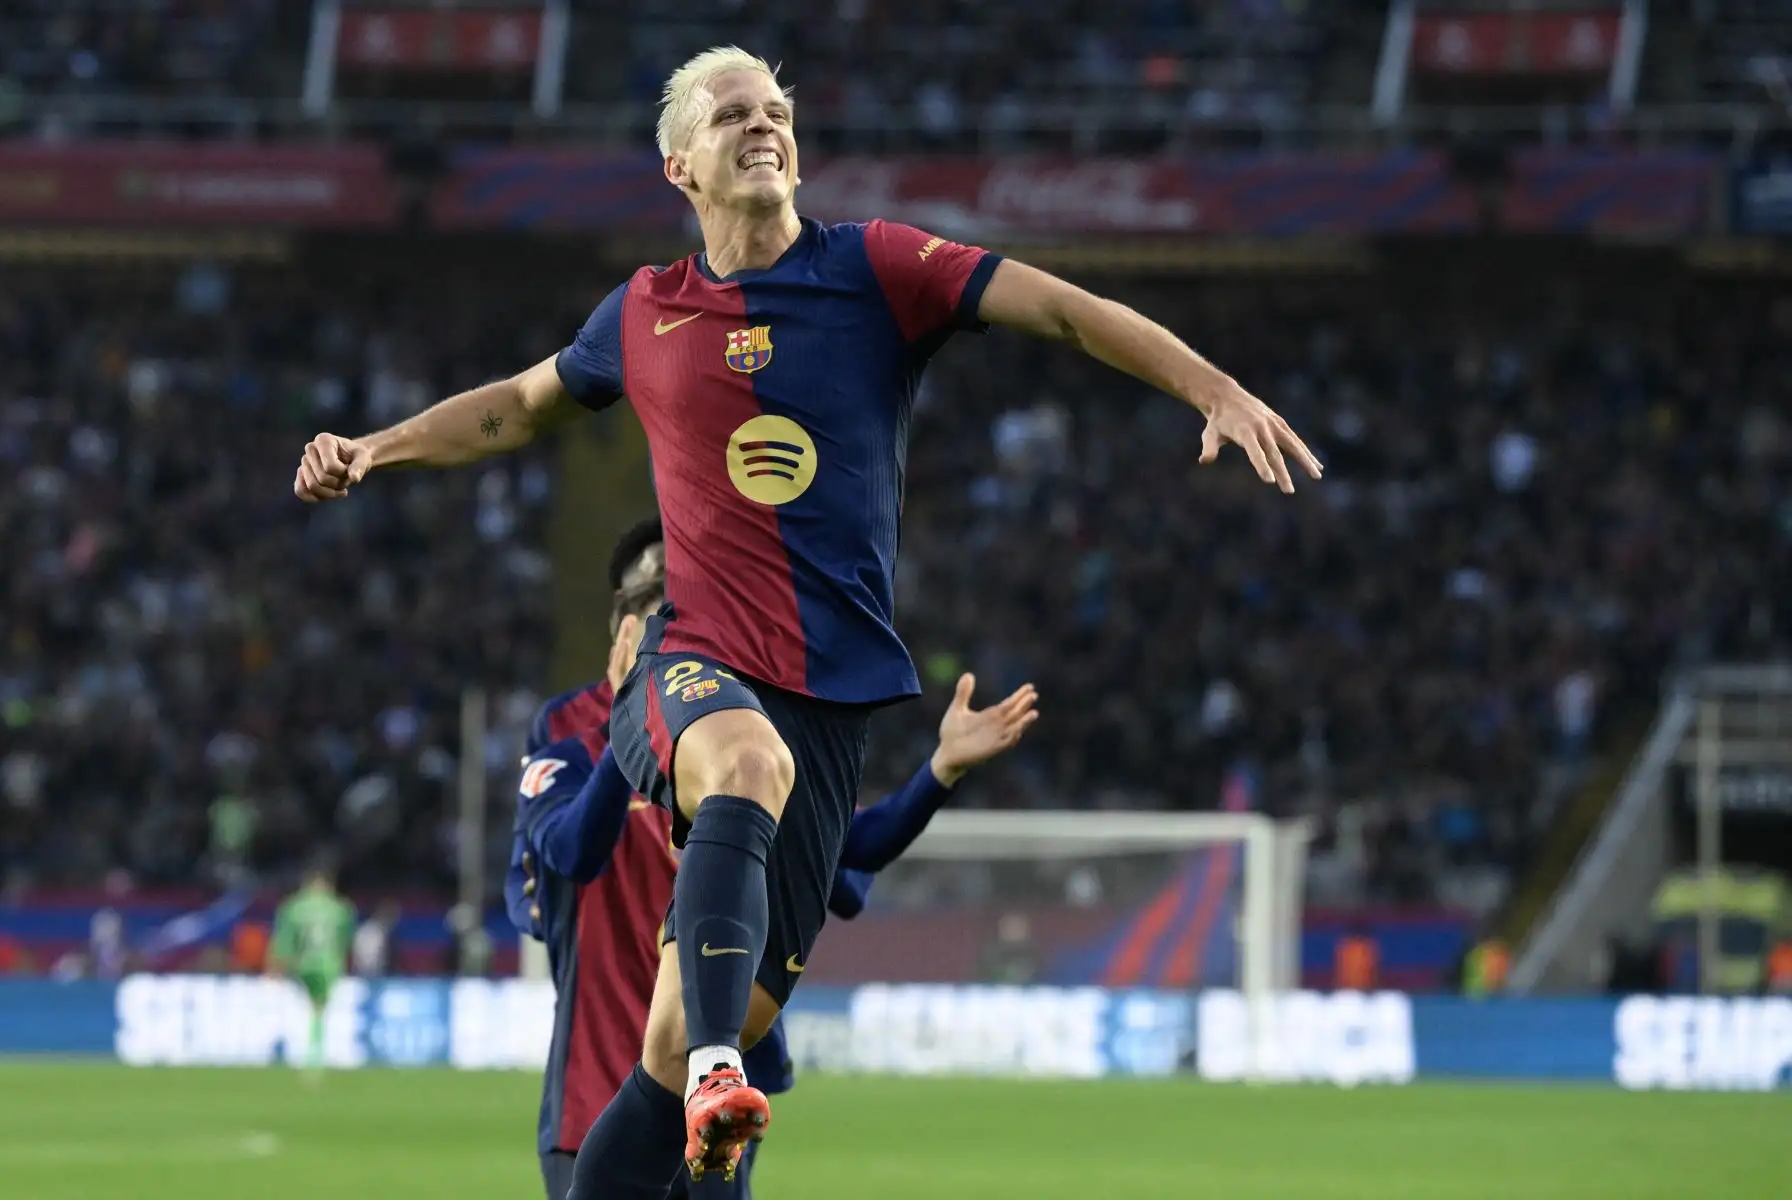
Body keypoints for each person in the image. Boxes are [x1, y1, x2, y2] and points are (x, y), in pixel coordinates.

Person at [292, 45, 1317, 1192]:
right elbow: (515, 410)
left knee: (665, 1055)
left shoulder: (880, 269)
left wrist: (1213, 387)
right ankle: (731, 1067)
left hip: (833, 703)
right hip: (690, 668)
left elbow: (1067, 312)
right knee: (740, 779)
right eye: (733, 114)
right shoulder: (641, 310)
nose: (764, 124)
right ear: (680, 164)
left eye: (776, 108)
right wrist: (373, 449)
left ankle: (705, 1068)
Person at [511, 517, 1037, 1200]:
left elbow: (847, 869)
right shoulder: (566, 738)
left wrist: (938, 771)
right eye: (650, 611)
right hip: (596, 1084)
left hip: (716, 1083)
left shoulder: (750, 741)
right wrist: (633, 723)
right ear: (622, 632)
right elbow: (565, 856)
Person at [267, 860, 357, 1073]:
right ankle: (316, 1055)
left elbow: (284, 941)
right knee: (321, 1009)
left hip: (302, 964)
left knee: (302, 1010)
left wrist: (276, 965)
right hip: (330, 965)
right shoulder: (341, 908)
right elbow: (347, 941)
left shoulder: (293, 906)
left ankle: (303, 1054)